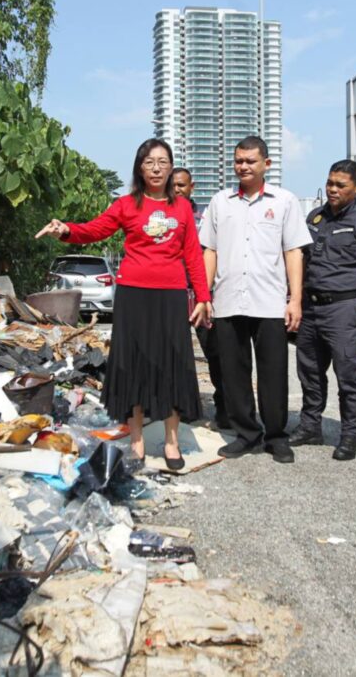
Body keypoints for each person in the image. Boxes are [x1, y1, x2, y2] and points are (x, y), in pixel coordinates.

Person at [36, 139, 211, 470]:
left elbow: (192, 255)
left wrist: (203, 297)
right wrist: (64, 230)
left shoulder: (183, 208)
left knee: (172, 364)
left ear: (171, 167)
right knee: (135, 365)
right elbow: (94, 230)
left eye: (162, 161)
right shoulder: (127, 204)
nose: (156, 168)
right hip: (133, 294)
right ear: (140, 168)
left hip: (171, 294)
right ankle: (137, 441)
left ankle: (172, 443)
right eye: (149, 162)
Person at [200, 136, 312, 464]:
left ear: (266, 164)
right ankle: (247, 433)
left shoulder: (285, 201)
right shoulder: (220, 202)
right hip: (228, 301)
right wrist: (204, 297)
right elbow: (210, 251)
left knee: (273, 371)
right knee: (233, 372)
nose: (243, 167)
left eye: (250, 161)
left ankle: (276, 436)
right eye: (238, 161)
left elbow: (293, 251)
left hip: (270, 302)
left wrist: (296, 300)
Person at [291, 160, 356, 461]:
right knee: (309, 371)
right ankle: (310, 426)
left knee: (348, 376)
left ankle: (349, 436)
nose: (332, 189)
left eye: (340, 185)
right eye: (330, 183)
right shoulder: (314, 217)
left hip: (344, 308)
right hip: (311, 307)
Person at [173, 167, 229, 429]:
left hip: (202, 294)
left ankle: (225, 408)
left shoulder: (206, 217)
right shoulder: (162, 217)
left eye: (182, 185)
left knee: (216, 353)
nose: (177, 190)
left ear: (191, 187)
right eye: (172, 185)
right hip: (172, 294)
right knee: (176, 354)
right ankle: (183, 406)